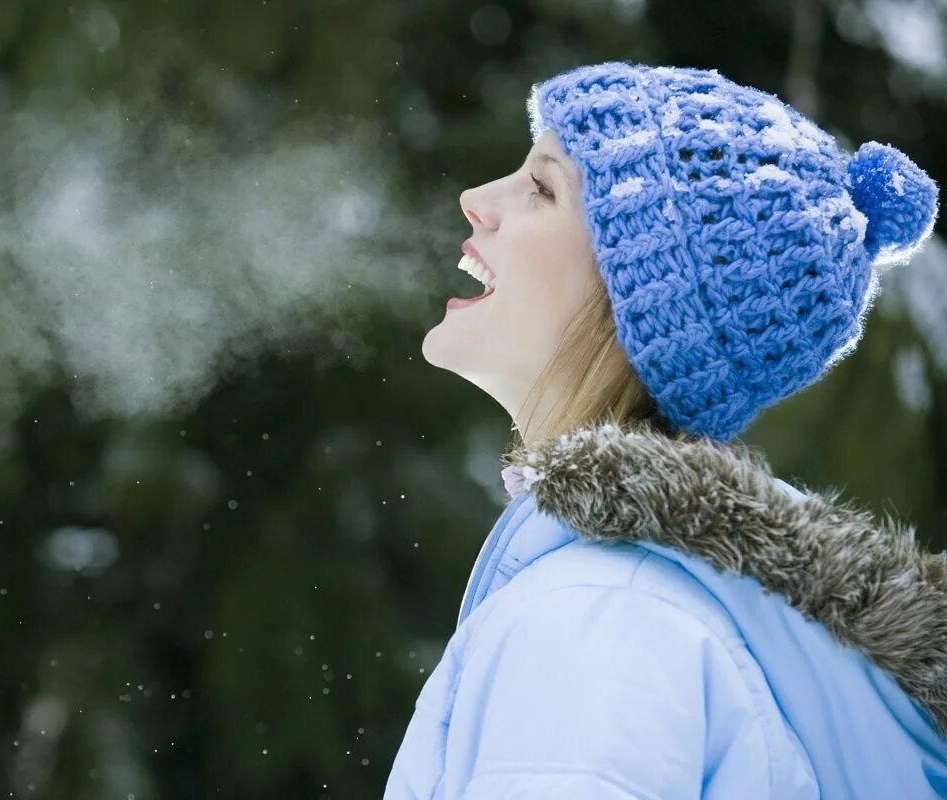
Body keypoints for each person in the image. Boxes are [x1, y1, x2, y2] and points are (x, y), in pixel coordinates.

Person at [388, 61, 946, 798]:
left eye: (542, 188)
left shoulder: (595, 620)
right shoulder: (656, 609)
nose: (476, 201)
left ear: (639, 303)